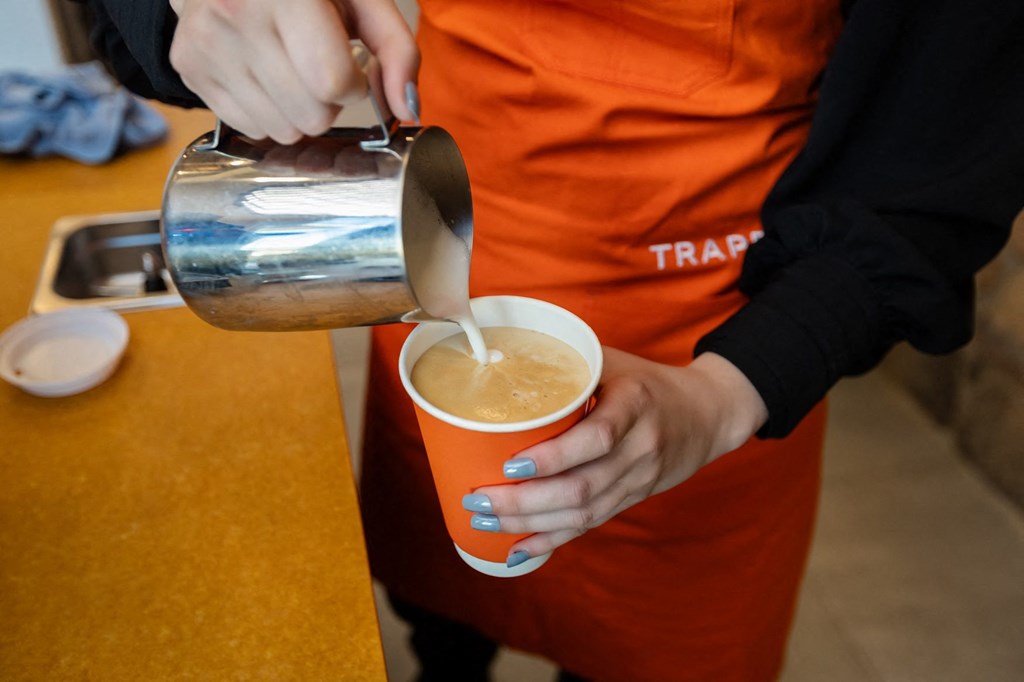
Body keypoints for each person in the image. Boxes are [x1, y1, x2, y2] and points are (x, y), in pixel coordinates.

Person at [78, 1, 1024, 680]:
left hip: (711, 329)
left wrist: (727, 393)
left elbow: (935, 162)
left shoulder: (721, 381)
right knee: (443, 615)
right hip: (444, 235)